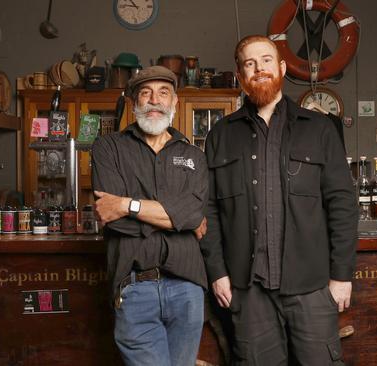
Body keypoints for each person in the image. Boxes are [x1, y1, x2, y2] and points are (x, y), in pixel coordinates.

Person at [200, 35, 358, 365]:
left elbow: (342, 204)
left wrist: (341, 276)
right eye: (250, 63)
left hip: (312, 287)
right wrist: (217, 272)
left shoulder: (319, 129)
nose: (260, 69)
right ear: (241, 75)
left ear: (282, 68)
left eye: (267, 60)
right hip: (248, 290)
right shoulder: (220, 136)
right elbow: (209, 211)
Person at [91, 65, 209, 366]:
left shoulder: (194, 156)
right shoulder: (109, 148)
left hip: (187, 289)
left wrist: (128, 205)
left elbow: (194, 213)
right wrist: (177, 220)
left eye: (163, 93)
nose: (154, 100)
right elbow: (112, 217)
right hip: (135, 289)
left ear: (175, 103)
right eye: (145, 93)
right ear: (134, 104)